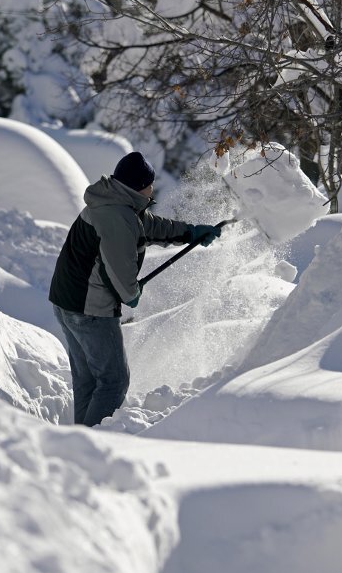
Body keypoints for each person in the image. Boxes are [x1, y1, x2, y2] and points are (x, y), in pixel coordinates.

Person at [48, 152, 222, 427]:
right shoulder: (117, 217)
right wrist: (131, 294)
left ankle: (78, 439)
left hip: (66, 301)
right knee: (114, 381)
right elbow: (118, 268)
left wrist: (190, 233)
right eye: (150, 184)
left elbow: (147, 226)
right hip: (89, 308)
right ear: (141, 186)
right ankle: (93, 445)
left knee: (89, 380)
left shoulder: (113, 201)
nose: (152, 189)